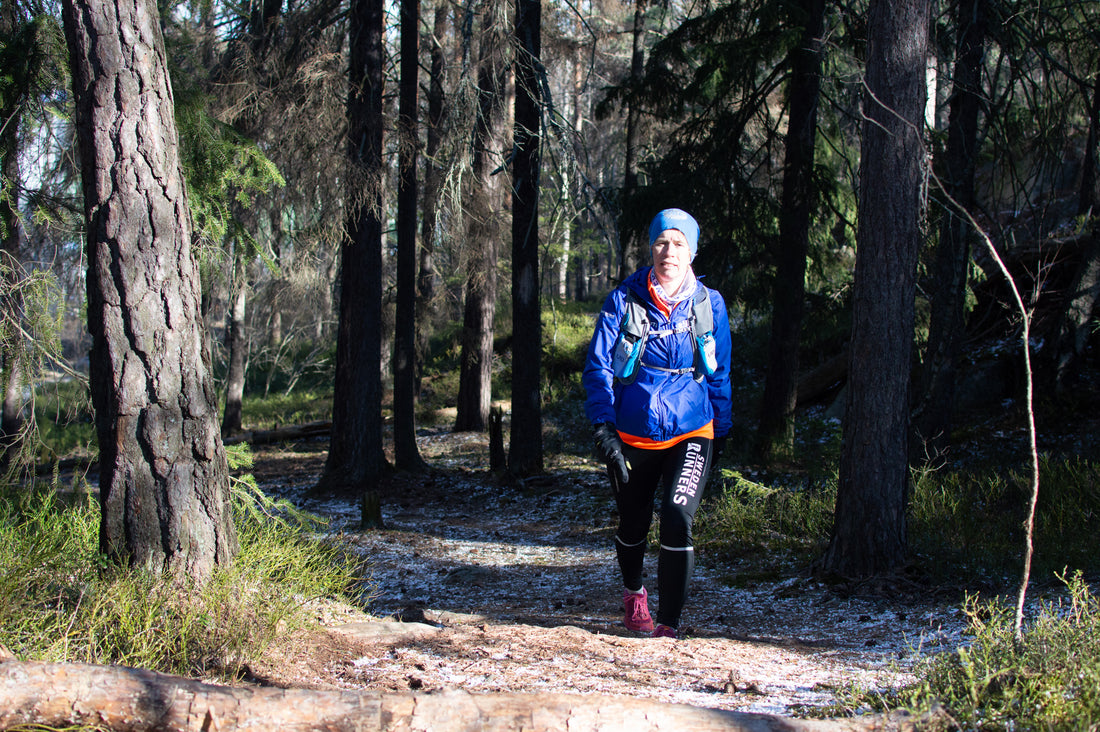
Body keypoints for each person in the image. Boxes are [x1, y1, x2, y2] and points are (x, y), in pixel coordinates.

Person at [583, 208, 732, 639]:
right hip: (633, 433)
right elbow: (597, 370)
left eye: (679, 243)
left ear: (693, 252)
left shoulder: (709, 304)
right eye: (662, 243)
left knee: (677, 515)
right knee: (633, 524)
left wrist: (720, 431)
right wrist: (603, 428)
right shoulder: (624, 300)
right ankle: (634, 594)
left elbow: (719, 373)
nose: (669, 251)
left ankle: (668, 624)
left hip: (692, 430)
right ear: (651, 248)